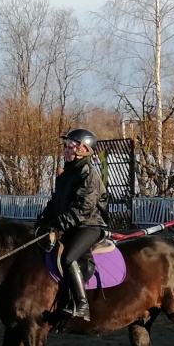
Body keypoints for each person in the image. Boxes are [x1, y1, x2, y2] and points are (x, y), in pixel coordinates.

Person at [35, 128, 108, 323]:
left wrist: (59, 223)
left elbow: (83, 208)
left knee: (67, 257)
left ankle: (81, 304)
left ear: (84, 149)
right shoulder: (64, 175)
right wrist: (43, 220)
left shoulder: (88, 175)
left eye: (70, 147)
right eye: (65, 146)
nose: (65, 150)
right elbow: (55, 203)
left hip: (89, 225)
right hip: (71, 224)